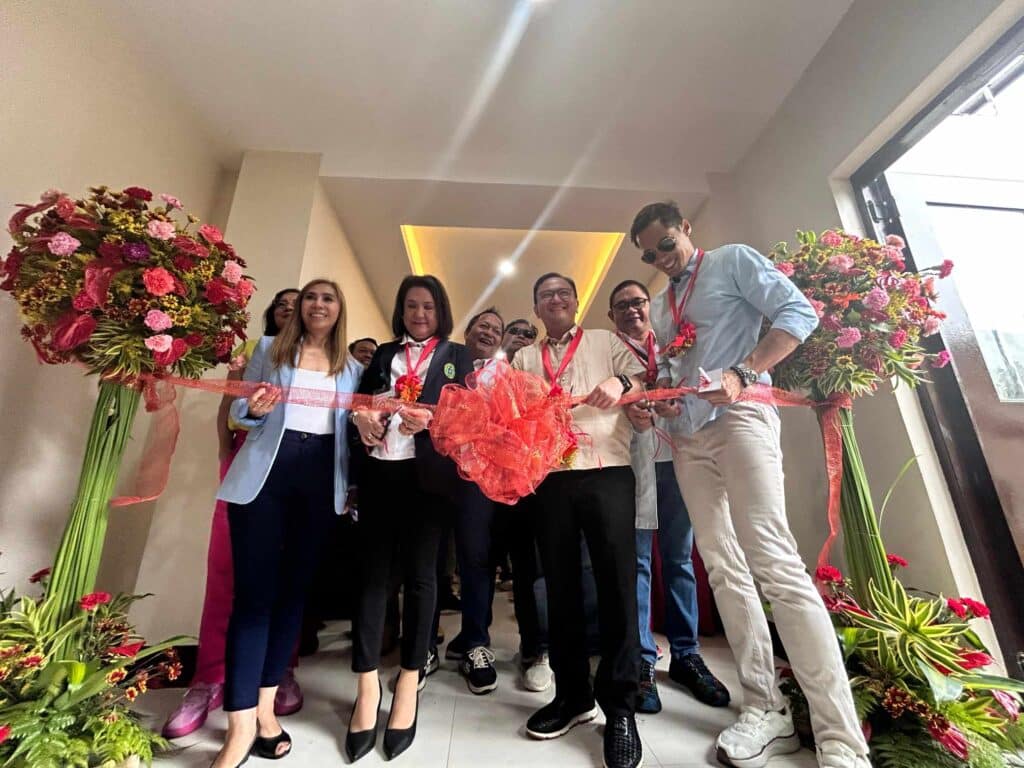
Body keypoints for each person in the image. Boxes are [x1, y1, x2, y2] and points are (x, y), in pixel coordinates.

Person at [632, 201, 870, 768]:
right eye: (648, 254)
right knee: (722, 566)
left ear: (685, 229)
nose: (661, 259)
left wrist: (743, 373)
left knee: (775, 563)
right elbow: (672, 369)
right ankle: (766, 708)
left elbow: (798, 312)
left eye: (666, 244)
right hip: (688, 439)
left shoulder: (732, 261)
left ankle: (841, 737)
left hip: (741, 420)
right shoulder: (664, 305)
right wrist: (661, 400)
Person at [211, 279, 362, 768]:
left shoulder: (353, 368)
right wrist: (250, 411)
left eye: (328, 298)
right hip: (265, 478)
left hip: (320, 481)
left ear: (340, 311)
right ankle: (238, 723)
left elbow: (352, 433)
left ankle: (266, 711)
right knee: (253, 597)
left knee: (293, 598)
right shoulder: (270, 349)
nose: (318, 305)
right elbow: (237, 410)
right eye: (311, 298)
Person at [512, 272, 645, 768]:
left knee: (615, 586)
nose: (556, 300)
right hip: (549, 476)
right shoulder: (524, 359)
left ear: (575, 301)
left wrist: (620, 381)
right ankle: (572, 696)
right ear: (537, 307)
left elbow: (647, 377)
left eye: (563, 292)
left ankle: (621, 708)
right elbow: (515, 410)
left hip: (608, 470)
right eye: (545, 294)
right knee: (561, 587)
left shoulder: (608, 342)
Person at [347, 275, 480, 761]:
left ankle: (408, 682)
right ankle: (365, 687)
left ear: (440, 310)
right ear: (400, 312)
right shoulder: (383, 354)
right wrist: (361, 417)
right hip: (381, 476)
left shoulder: (458, 356)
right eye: (410, 306)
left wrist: (434, 421)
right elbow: (356, 404)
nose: (418, 314)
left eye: (426, 306)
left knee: (423, 580)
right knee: (373, 581)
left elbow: (473, 420)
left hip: (430, 482)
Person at [162, 288, 303, 741]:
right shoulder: (252, 351)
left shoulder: (321, 357)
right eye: (282, 304)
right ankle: (208, 679)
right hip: (245, 473)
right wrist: (227, 457)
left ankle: (279, 670)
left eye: (296, 305)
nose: (289, 310)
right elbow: (229, 409)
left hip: (299, 478)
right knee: (225, 572)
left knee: (288, 575)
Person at [607, 279, 730, 715]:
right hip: (632, 463)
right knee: (638, 561)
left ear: (649, 306)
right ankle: (643, 660)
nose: (632, 311)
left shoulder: (676, 343)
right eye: (622, 306)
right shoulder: (610, 352)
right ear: (611, 316)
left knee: (679, 557)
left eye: (638, 302)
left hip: (679, 456)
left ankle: (686, 655)